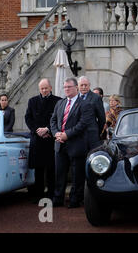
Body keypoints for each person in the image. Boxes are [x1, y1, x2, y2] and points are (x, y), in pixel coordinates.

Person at [50, 77, 92, 208]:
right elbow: (53, 120)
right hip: (59, 144)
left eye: (69, 87)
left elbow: (83, 124)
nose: (66, 89)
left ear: (76, 88)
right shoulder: (60, 103)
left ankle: (75, 200)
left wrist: (66, 135)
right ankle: (58, 199)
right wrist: (56, 133)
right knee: (59, 173)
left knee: (77, 175)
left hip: (76, 144)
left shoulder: (85, 104)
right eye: (65, 87)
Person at [25, 79, 62, 202]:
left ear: (50, 88)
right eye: (42, 88)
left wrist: (48, 130)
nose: (44, 90)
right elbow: (28, 118)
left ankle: (51, 194)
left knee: (51, 169)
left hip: (51, 139)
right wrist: (37, 130)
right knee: (38, 170)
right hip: (37, 139)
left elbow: (59, 120)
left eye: (46, 88)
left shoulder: (58, 101)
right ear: (39, 89)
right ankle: (38, 195)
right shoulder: (32, 101)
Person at [77, 76, 106, 150]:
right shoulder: (75, 97)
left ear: (89, 85)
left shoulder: (96, 98)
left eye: (86, 85)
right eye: (81, 85)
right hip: (77, 135)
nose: (84, 87)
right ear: (78, 86)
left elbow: (101, 118)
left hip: (91, 135)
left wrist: (96, 131)